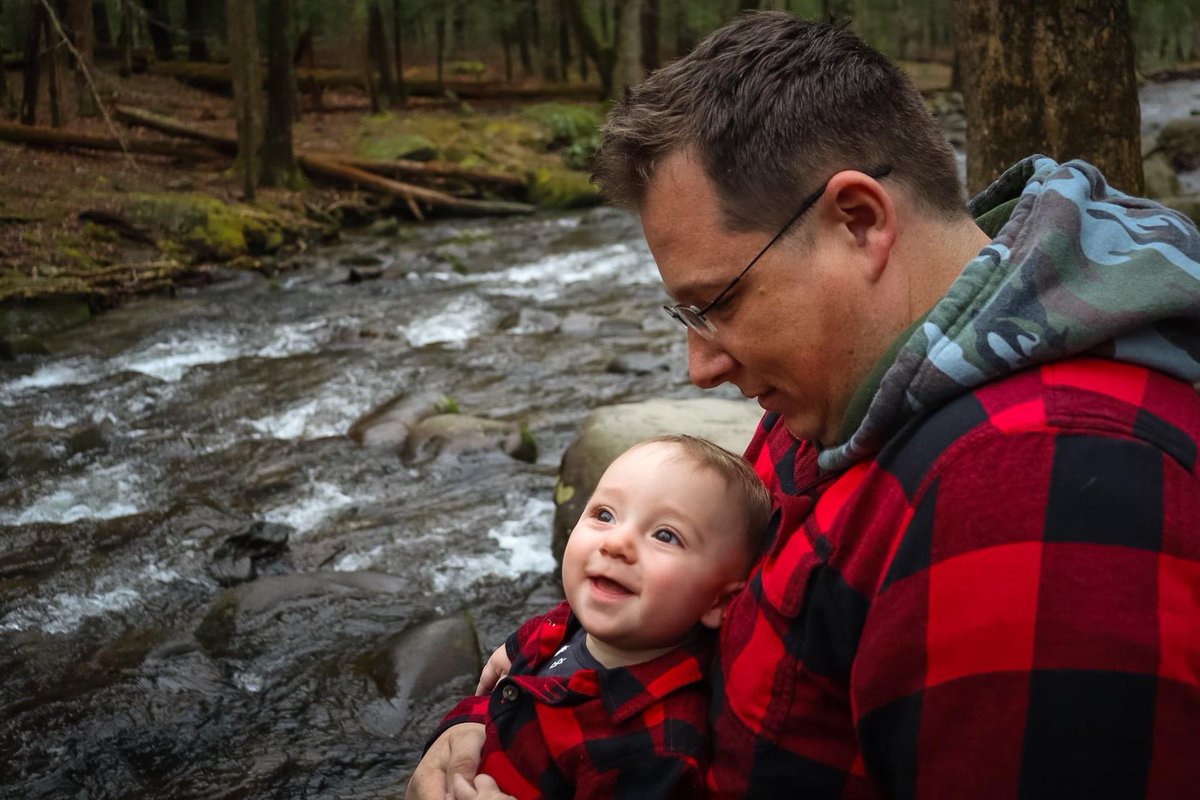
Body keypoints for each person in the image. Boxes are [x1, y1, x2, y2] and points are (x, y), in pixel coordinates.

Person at [412, 11, 1200, 799]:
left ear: (857, 222)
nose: (701, 367)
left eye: (717, 302)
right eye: (686, 316)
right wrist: (492, 716)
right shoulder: (857, 389)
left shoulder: (1041, 487)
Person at [414, 435, 772, 800]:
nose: (616, 543)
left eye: (665, 535)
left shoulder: (656, 746)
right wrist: (467, 718)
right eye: (604, 515)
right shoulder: (558, 629)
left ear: (719, 602)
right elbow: (495, 705)